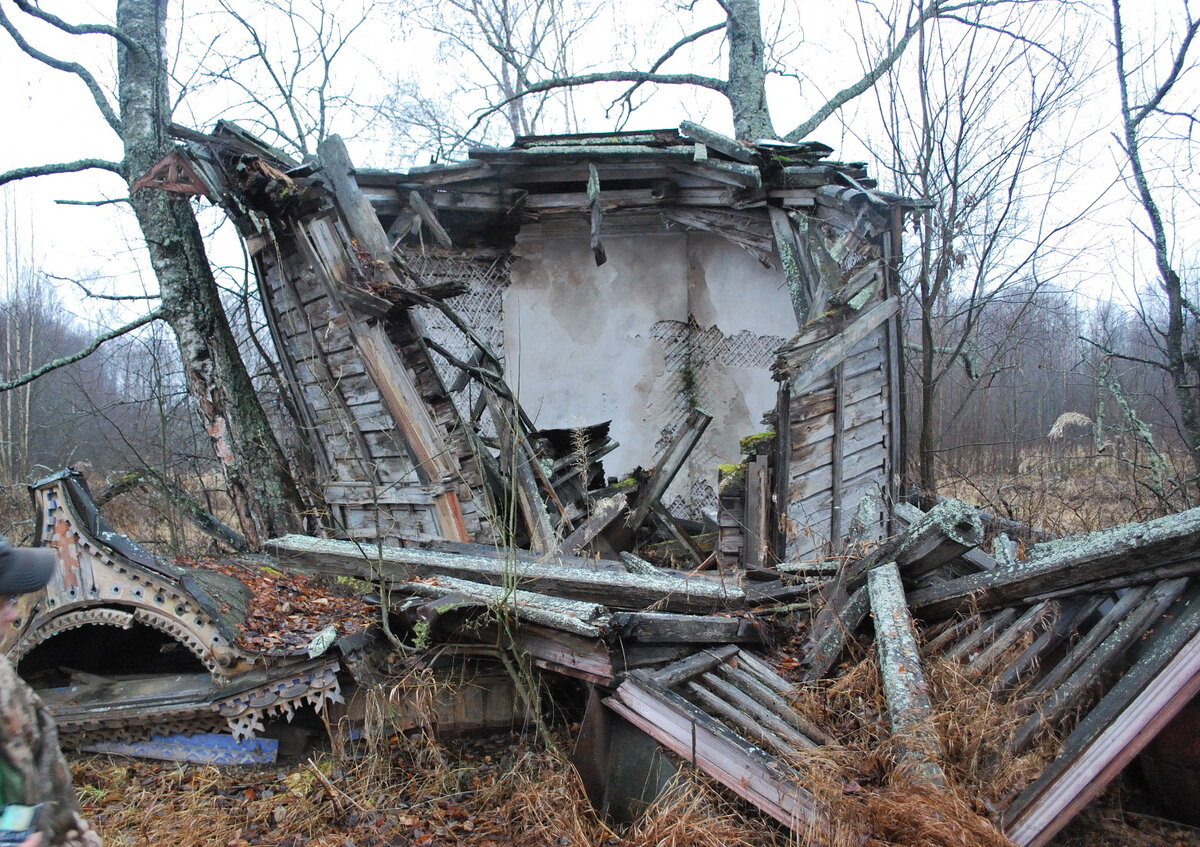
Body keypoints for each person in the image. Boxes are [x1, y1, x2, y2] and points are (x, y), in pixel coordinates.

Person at [0, 537, 101, 847]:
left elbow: (53, 803)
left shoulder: (6, 683)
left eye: (11, 599)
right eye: (2, 600)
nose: (13, 615)